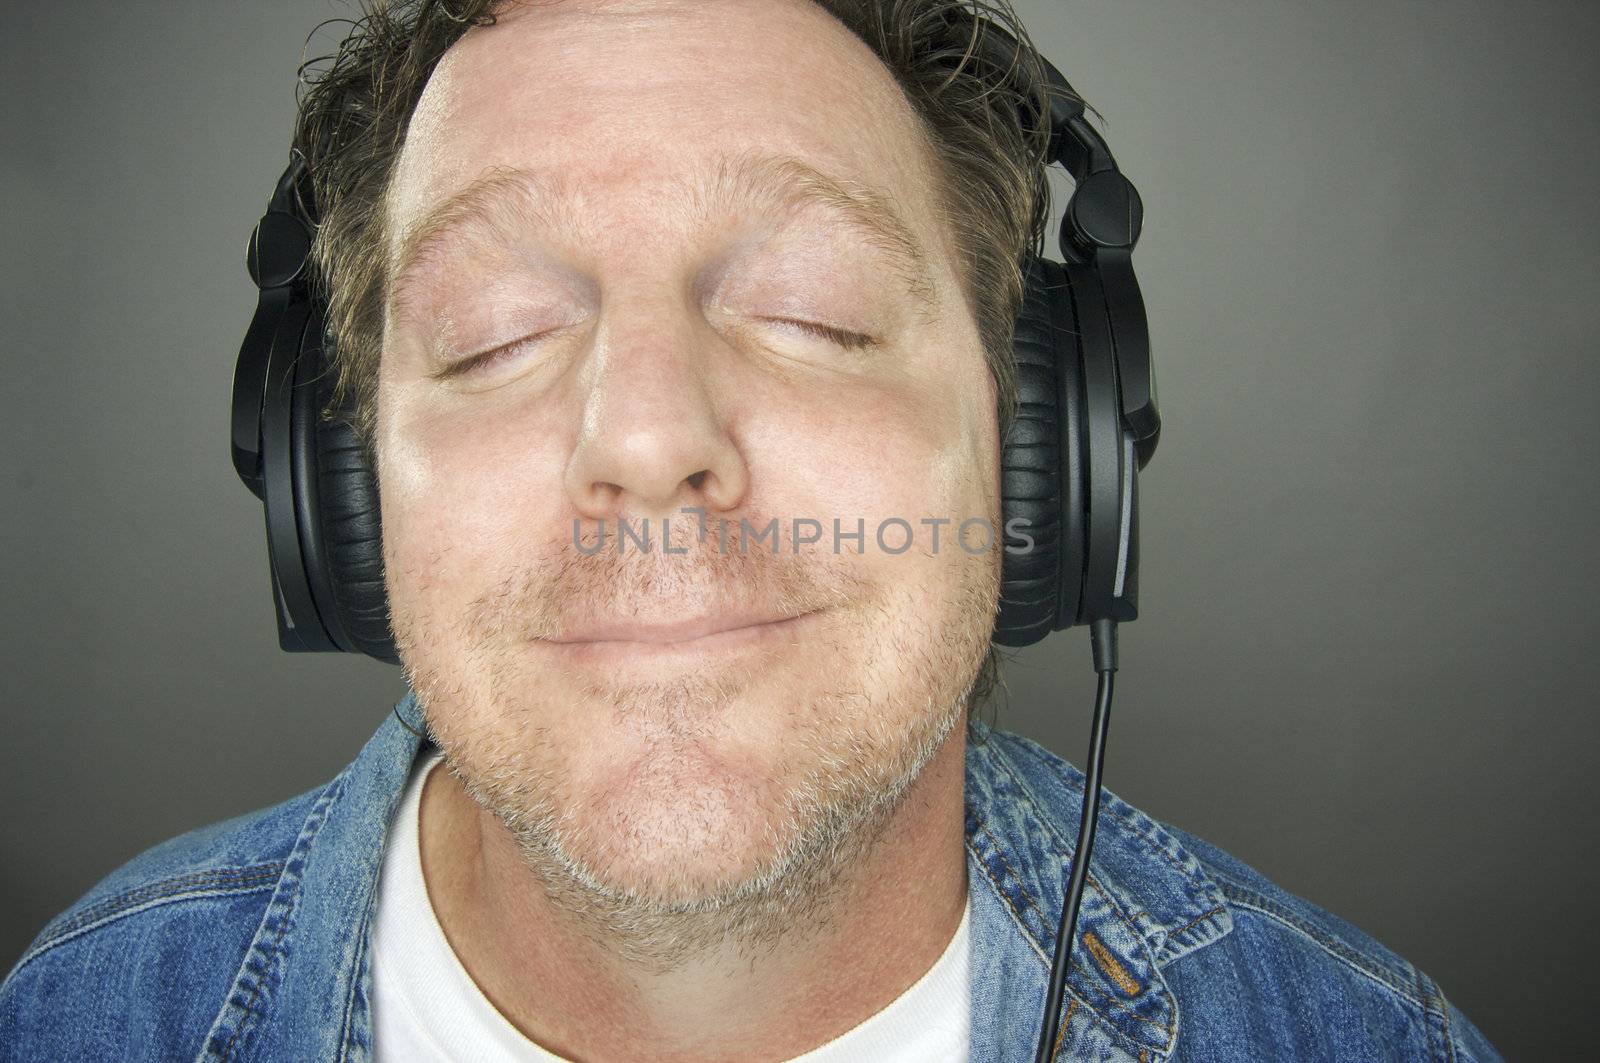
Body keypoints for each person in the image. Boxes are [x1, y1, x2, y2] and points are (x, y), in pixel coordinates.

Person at [0, 1, 1501, 1060]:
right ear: (342, 485)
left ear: (1036, 448)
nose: (650, 442)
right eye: (492, 336)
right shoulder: (71, 1018)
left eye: (816, 313)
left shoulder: (1373, 1043)